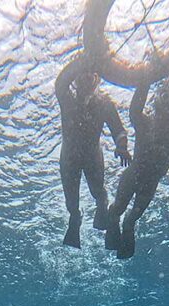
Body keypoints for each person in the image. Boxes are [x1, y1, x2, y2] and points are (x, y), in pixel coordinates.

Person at [106, 55, 169, 259]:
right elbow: (135, 110)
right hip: (133, 177)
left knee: (130, 221)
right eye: (164, 95)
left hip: (149, 184)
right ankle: (110, 220)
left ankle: (121, 231)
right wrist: (146, 76)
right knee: (117, 211)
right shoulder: (145, 122)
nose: (168, 101)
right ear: (157, 99)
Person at [55, 56, 132, 248]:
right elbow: (61, 81)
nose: (87, 80)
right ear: (75, 79)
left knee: (98, 192)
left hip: (92, 157)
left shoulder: (104, 104)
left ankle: (102, 206)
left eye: (92, 76)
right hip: (69, 158)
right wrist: (87, 56)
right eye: (83, 76)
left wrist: (121, 145)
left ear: (97, 79)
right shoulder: (66, 98)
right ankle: (75, 218)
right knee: (71, 201)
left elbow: (118, 129)